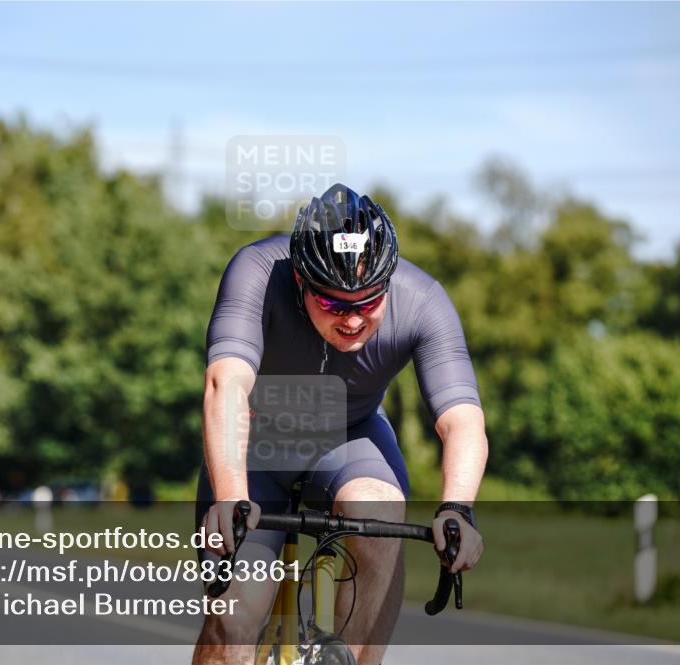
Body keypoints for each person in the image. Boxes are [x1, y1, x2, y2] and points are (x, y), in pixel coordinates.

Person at [192, 184, 488, 665]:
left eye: (368, 303)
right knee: (236, 618)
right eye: (333, 305)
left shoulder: (424, 300)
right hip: (258, 448)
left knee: (383, 511)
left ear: (388, 283)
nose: (352, 320)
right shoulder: (257, 272)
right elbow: (225, 385)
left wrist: (457, 508)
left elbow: (462, 420)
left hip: (350, 440)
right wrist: (229, 498)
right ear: (303, 285)